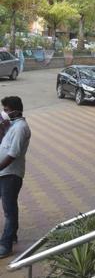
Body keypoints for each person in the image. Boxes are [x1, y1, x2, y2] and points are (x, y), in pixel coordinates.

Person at [0, 96, 31, 258]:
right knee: (9, 208)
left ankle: (6, 245)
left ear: (15, 110)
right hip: (3, 173)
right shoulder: (11, 126)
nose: (4, 113)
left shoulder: (20, 128)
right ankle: (12, 234)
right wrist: (2, 129)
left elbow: (13, 154)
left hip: (11, 175)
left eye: (6, 110)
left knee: (9, 210)